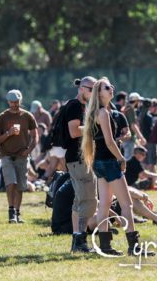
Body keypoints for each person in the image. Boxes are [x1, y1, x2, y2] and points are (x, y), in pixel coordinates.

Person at [81, 77, 154, 256]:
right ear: (99, 93)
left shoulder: (97, 112)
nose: (111, 89)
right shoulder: (103, 113)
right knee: (127, 205)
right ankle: (134, 247)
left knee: (104, 205)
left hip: (99, 162)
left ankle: (105, 246)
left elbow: (105, 141)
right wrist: (122, 159)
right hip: (109, 162)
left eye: (111, 86)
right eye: (107, 87)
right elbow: (109, 141)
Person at [63, 76, 99, 252]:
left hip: (79, 159)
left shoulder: (83, 106)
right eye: (91, 89)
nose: (94, 93)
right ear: (81, 89)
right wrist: (95, 125)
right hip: (78, 159)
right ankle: (80, 242)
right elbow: (74, 131)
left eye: (95, 90)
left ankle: (77, 240)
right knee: (89, 201)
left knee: (79, 201)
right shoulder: (75, 106)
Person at [0, 89, 39, 224]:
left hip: (22, 156)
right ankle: (11, 211)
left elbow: (35, 136)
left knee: (20, 186)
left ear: (20, 100)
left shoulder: (28, 116)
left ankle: (18, 213)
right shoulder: (2, 117)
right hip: (6, 155)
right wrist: (8, 133)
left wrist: (29, 150)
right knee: (11, 183)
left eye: (16, 102)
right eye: (12, 102)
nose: (14, 104)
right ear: (8, 101)